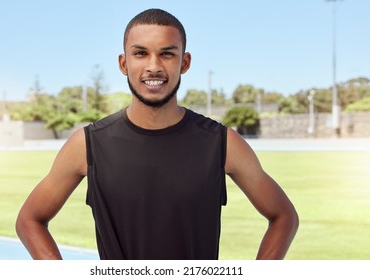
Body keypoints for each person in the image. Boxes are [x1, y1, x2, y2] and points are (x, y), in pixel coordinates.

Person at [16, 8, 298, 260]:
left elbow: (284, 216)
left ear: (184, 63)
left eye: (167, 53)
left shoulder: (222, 142)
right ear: (124, 63)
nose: (153, 66)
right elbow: (29, 220)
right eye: (140, 53)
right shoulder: (87, 143)